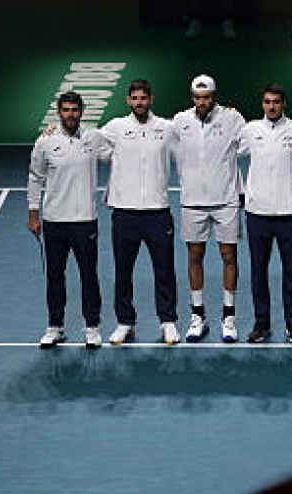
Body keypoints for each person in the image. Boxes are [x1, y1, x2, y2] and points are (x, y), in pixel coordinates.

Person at [99, 78, 181, 345]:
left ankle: (168, 322)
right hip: (124, 213)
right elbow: (85, 142)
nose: (139, 103)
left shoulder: (167, 128)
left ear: (151, 100)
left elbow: (193, 149)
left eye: (143, 98)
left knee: (164, 270)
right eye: (134, 98)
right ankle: (125, 322)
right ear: (128, 101)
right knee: (123, 271)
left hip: (158, 212)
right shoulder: (115, 128)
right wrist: (52, 133)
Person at [28, 91, 107, 350]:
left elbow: (122, 151)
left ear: (81, 112)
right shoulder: (45, 142)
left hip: (85, 220)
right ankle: (55, 327)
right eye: (66, 110)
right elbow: (35, 177)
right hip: (54, 221)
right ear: (59, 113)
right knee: (54, 276)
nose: (70, 114)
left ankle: (92, 327)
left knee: (89, 276)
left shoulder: (94, 138)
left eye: (75, 110)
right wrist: (33, 214)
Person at [173, 74, 247, 342]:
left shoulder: (232, 118)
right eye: (197, 98)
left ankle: (229, 318)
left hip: (226, 200)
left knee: (229, 256)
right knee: (195, 256)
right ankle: (197, 317)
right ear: (192, 97)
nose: (201, 102)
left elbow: (254, 139)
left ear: (213, 97)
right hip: (192, 201)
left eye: (205, 97)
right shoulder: (180, 121)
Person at [238, 83, 292, 343]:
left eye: (276, 101)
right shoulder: (250, 130)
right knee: (259, 271)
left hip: (290, 214)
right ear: (262, 104)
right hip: (257, 213)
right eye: (267, 101)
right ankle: (261, 324)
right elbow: (227, 155)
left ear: (283, 104)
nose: (271, 106)